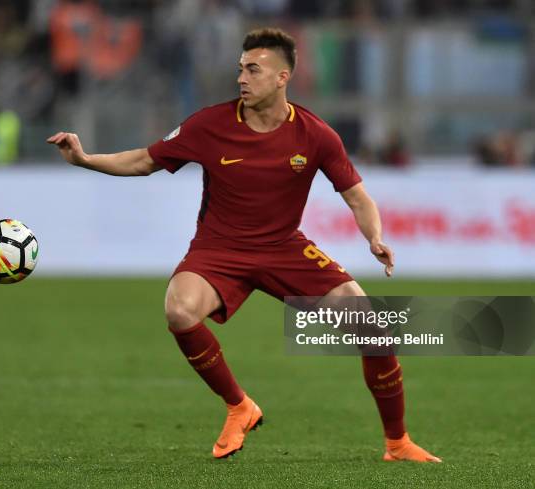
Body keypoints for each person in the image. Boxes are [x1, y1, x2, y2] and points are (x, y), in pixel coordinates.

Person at [47, 27, 441, 463]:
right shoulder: (210, 124)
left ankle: (398, 443)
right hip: (219, 249)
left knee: (371, 329)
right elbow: (143, 161)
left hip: (284, 248)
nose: (242, 78)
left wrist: (375, 237)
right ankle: (239, 406)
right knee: (178, 309)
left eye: (253, 70)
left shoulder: (316, 135)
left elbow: (357, 196)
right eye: (240, 69)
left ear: (282, 77)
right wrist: (85, 160)